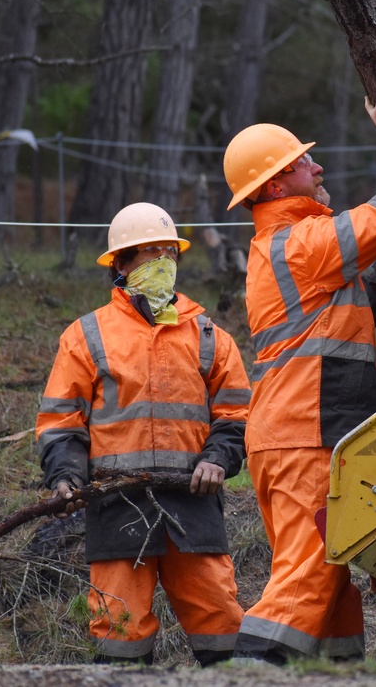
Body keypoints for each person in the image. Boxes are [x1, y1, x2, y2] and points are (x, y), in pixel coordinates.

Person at [223, 70, 376, 665]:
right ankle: (244, 678)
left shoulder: (287, 248)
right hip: (304, 438)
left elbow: (356, 310)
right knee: (304, 582)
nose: (319, 168)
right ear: (279, 181)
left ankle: (336, 675)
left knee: (330, 589)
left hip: (295, 436)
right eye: (306, 163)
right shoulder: (303, 242)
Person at [35, 202, 250, 665]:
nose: (161, 262)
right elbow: (60, 420)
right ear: (121, 265)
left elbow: (236, 416)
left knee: (222, 625)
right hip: (115, 505)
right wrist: (65, 476)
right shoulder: (86, 336)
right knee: (119, 631)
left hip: (193, 506)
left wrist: (218, 459)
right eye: (147, 253)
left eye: (168, 252)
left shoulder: (211, 336)